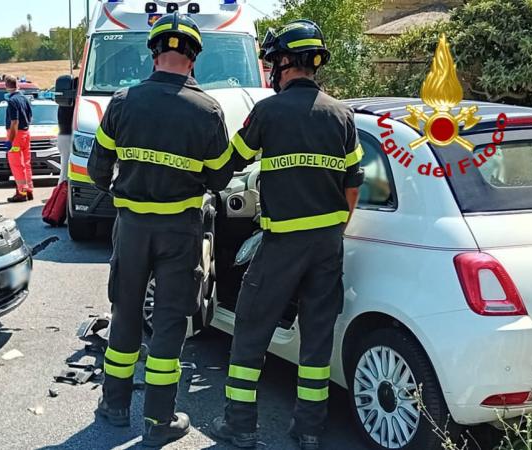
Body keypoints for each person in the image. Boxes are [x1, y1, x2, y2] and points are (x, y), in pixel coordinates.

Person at [210, 20, 364, 450]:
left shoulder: (268, 112)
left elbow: (231, 162)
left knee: (250, 329)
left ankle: (240, 425)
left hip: (281, 247)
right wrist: (335, 228)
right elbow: (354, 182)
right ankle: (309, 429)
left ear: (284, 61)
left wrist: (199, 177)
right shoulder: (342, 114)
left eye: (274, 61)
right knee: (316, 340)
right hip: (328, 244)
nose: (272, 71)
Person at [88, 12, 235, 448]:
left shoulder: (122, 101)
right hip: (179, 231)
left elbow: (97, 169)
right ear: (194, 58)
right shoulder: (207, 110)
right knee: (170, 321)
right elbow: (219, 179)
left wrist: (123, 188)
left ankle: (113, 406)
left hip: (131, 228)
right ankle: (159, 418)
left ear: (153, 53)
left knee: (126, 312)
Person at [4, 75, 33, 202]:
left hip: (16, 135)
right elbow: (30, 116)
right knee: (26, 163)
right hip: (26, 133)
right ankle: (29, 189)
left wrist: (10, 141)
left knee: (16, 164)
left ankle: (21, 192)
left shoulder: (12, 101)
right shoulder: (24, 99)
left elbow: (14, 122)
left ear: (6, 86)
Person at [57, 77, 78, 183]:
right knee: (65, 168)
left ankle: (61, 188)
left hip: (64, 136)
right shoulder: (71, 102)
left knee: (64, 167)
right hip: (68, 136)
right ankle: (62, 191)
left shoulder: (64, 101)